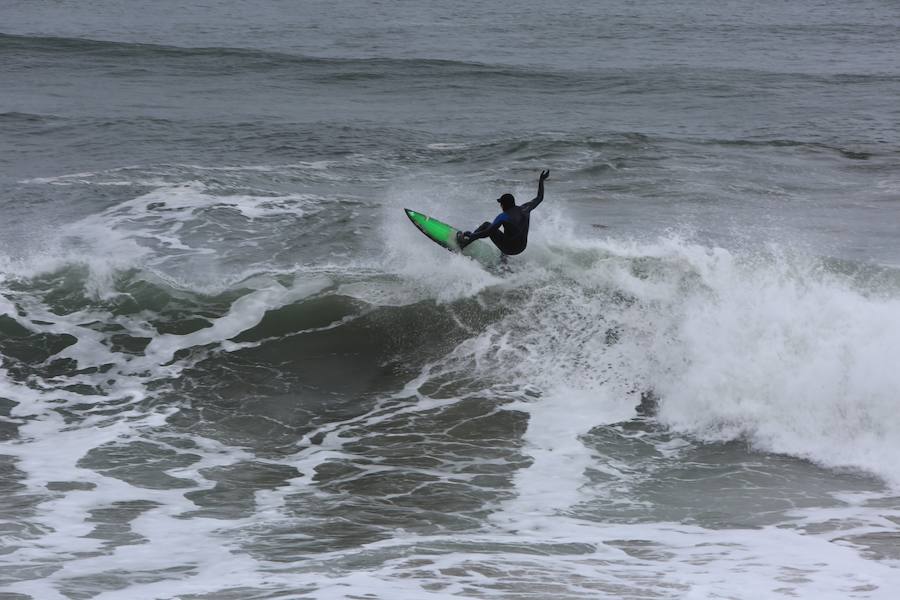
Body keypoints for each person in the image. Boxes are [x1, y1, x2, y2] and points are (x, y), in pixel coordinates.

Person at [457, 170, 550, 256]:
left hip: (509, 249)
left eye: (501, 204)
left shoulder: (503, 217)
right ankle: (504, 260)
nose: (500, 206)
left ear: (503, 205)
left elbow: (487, 232)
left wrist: (472, 235)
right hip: (522, 247)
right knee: (509, 234)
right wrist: (541, 180)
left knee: (486, 225)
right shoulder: (526, 208)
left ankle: (464, 243)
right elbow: (539, 197)